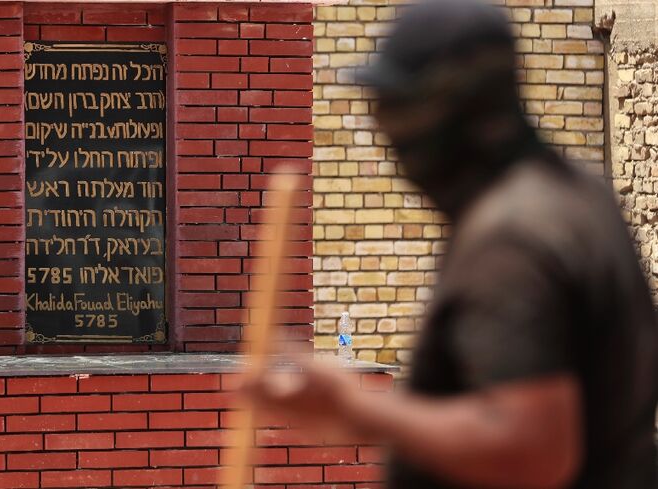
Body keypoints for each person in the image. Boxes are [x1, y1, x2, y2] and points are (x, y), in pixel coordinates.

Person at [247, 1, 658, 488]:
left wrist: (356, 408)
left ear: (459, 110)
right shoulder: (578, 196)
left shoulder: (511, 241)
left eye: (398, 110)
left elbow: (534, 452)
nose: (387, 136)